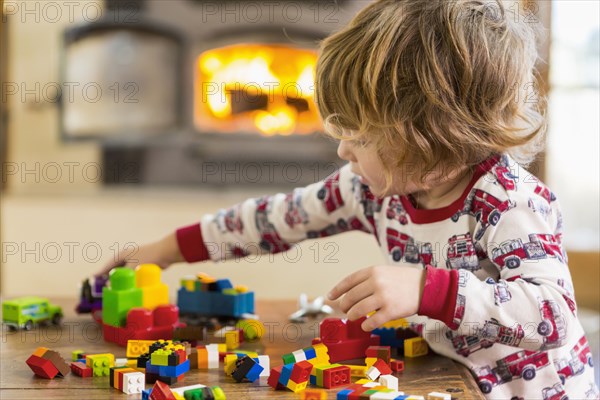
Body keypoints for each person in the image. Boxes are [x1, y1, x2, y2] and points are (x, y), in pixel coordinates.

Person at [96, 1, 599, 398]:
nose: (342, 149)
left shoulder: (508, 202)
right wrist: (161, 251)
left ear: (433, 140)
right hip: (449, 376)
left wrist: (430, 289)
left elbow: (552, 313)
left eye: (360, 137)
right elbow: (273, 220)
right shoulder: (370, 188)